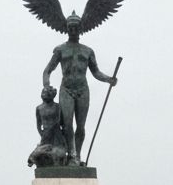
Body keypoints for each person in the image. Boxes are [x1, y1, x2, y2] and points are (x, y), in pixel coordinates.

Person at [40, 9, 119, 166]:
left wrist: (109, 79)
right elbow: (47, 70)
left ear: (80, 28)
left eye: (76, 27)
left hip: (83, 90)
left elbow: (96, 72)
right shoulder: (60, 49)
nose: (73, 30)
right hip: (66, 90)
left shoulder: (88, 51)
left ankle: (77, 157)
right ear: (67, 28)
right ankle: (71, 155)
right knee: (68, 124)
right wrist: (47, 85)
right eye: (70, 27)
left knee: (81, 127)